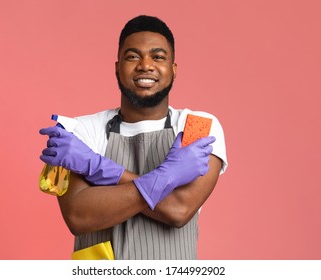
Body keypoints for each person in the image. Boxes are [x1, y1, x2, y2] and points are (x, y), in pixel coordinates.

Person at [39, 15, 228, 260]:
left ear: (173, 69)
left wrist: (102, 169)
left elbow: (179, 210)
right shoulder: (80, 129)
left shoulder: (198, 125)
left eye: (158, 57)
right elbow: (79, 216)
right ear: (117, 67)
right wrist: (168, 177)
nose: (145, 65)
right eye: (133, 56)